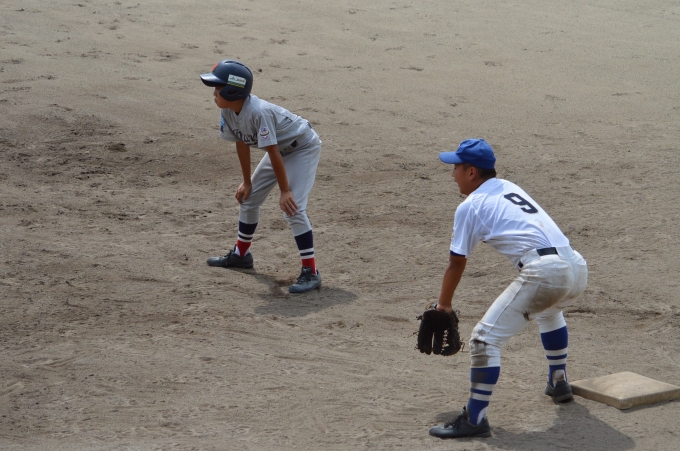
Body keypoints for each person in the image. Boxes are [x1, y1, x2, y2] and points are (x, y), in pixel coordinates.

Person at [428, 138, 588, 439]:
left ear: (471, 172)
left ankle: (475, 419)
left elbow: (456, 263)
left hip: (546, 272)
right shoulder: (509, 187)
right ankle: (558, 381)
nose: (452, 174)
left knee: (483, 340)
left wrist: (443, 305)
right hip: (576, 265)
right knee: (549, 312)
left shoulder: (470, 206)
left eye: (456, 168)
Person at [200, 59, 323, 293]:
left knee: (293, 207)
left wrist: (285, 190)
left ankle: (311, 271)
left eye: (218, 88)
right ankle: (241, 255)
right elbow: (241, 143)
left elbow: (273, 151)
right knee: (248, 198)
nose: (214, 93)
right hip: (280, 149)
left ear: (233, 91)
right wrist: (247, 182)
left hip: (302, 147)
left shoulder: (258, 113)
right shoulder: (228, 111)